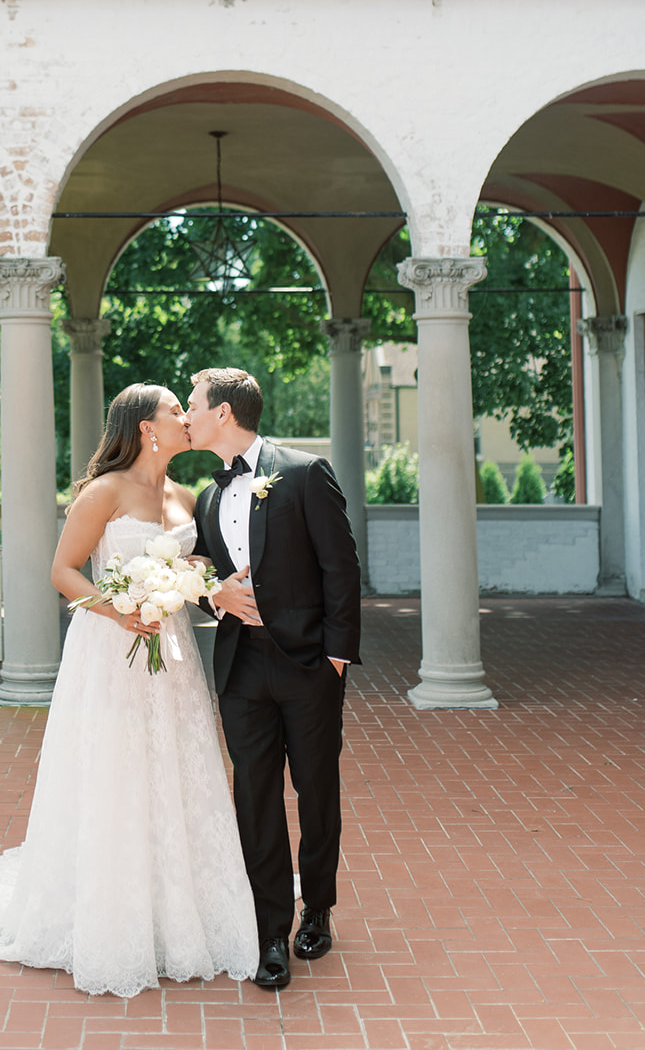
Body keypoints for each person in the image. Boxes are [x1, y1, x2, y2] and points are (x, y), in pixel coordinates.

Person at [0, 382, 258, 999]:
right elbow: (62, 572)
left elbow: (199, 567)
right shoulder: (103, 492)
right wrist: (121, 609)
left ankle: (178, 903)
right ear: (146, 428)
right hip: (111, 650)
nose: (187, 418)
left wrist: (198, 587)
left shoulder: (184, 494)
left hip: (172, 655)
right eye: (175, 411)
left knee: (173, 768)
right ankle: (110, 912)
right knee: (116, 770)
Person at [185, 367, 361, 992]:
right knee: (254, 798)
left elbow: (341, 568)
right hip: (241, 668)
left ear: (225, 414)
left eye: (193, 405)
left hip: (309, 666)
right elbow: (206, 576)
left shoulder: (306, 474)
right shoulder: (206, 496)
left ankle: (318, 906)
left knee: (315, 791)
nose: (186, 416)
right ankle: (269, 933)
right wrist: (214, 601)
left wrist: (336, 657)